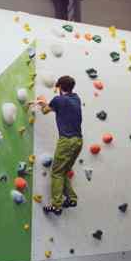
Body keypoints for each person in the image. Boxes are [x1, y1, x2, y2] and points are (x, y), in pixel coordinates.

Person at [32, 75, 83, 216]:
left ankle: (56, 206)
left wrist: (42, 102)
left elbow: (45, 110)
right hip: (78, 141)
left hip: (66, 141)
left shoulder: (58, 100)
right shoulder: (76, 99)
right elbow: (59, 108)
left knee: (56, 173)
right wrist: (47, 103)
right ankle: (71, 198)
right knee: (64, 171)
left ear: (59, 87)